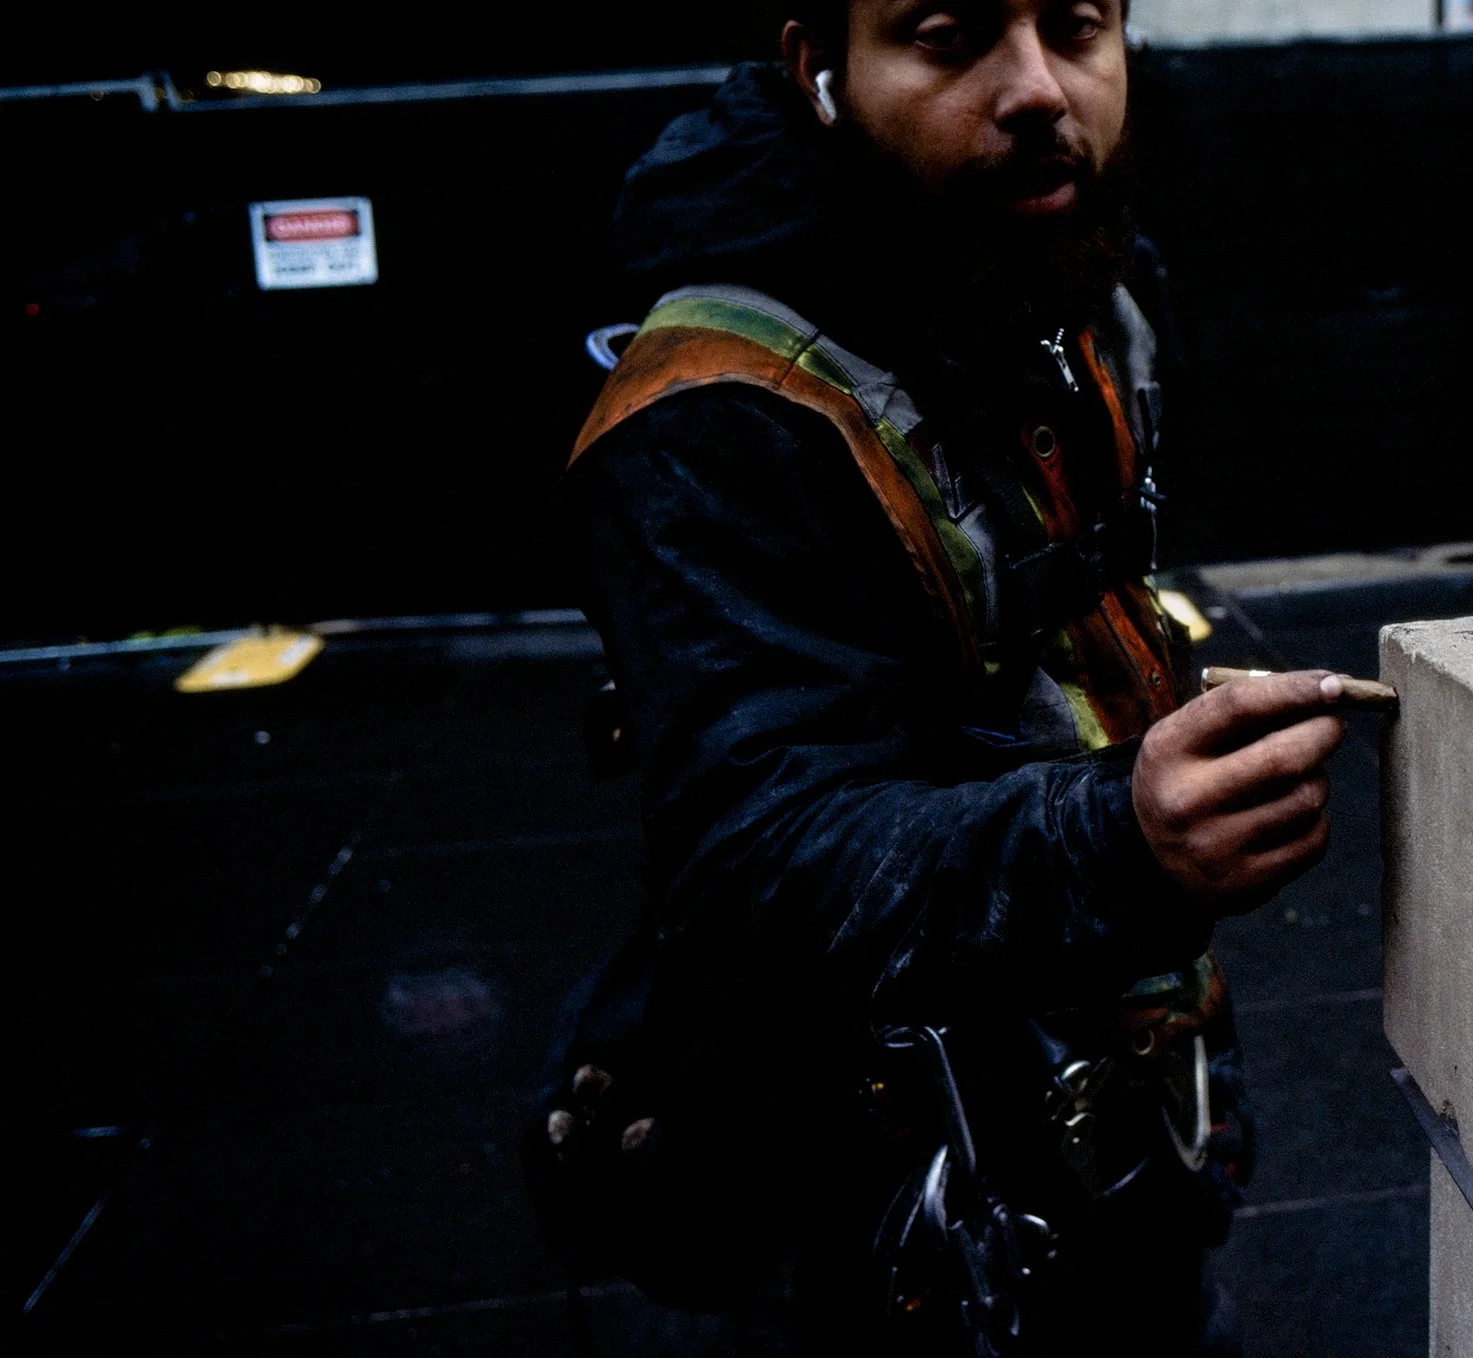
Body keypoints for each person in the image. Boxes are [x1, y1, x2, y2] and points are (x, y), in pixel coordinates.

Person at [526, 3, 1351, 1351]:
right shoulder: (712, 409)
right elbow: (762, 850)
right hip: (884, 1197)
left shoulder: (1085, 289)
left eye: (1077, 25)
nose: (1036, 87)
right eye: (949, 34)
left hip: (1111, 1108)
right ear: (821, 71)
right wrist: (1119, 834)